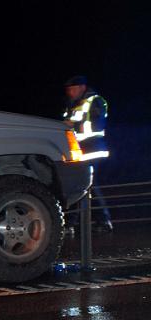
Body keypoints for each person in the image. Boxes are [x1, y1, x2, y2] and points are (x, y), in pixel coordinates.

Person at [62, 75, 113, 232]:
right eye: (68, 90)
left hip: (93, 150)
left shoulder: (96, 101)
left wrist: (73, 126)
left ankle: (95, 221)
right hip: (78, 151)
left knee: (85, 185)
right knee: (83, 186)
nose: (70, 92)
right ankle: (98, 221)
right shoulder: (72, 106)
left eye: (73, 89)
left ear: (83, 87)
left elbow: (97, 126)